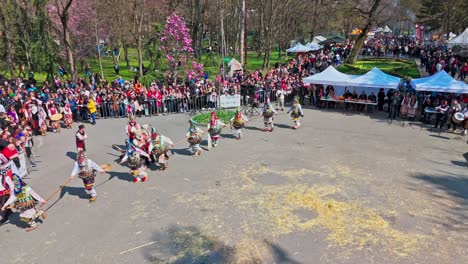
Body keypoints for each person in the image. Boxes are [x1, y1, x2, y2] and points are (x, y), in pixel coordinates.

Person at [0, 154, 14, 225]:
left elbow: (11, 185)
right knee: (2, 206)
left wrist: (11, 191)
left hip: (5, 194)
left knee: (3, 206)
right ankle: (9, 211)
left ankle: (4, 218)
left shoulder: (5, 178)